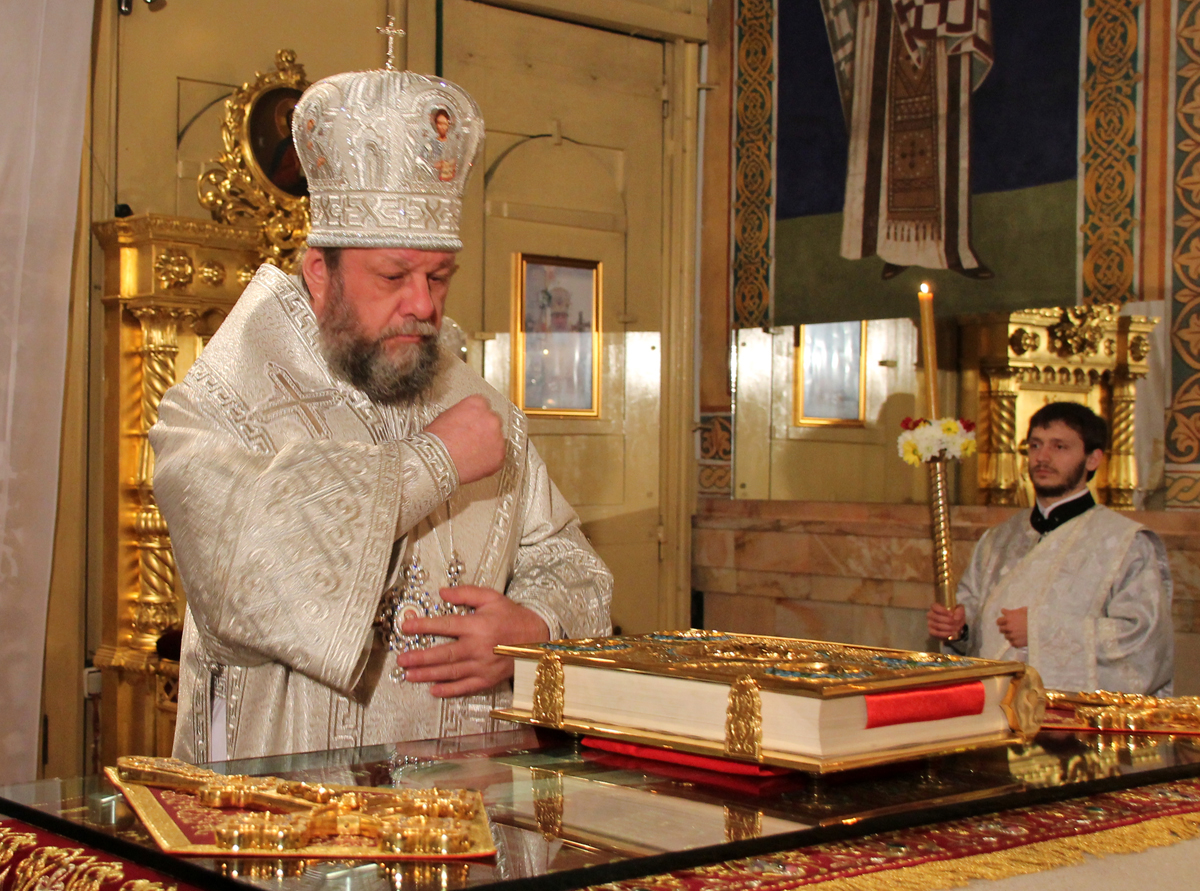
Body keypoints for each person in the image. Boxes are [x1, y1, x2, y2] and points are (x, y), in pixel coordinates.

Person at [151, 65, 613, 763]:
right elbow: (243, 578)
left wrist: (532, 629)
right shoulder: (217, 406)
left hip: (463, 806)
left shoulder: (479, 405)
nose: (423, 304)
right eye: (394, 277)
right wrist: (434, 461)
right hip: (287, 807)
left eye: (438, 277)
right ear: (320, 273)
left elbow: (574, 568)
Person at [927, 402, 1173, 695]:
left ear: (1093, 459)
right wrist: (960, 629)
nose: (1042, 457)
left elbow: (1144, 641)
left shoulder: (1126, 543)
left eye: (1059, 447)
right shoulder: (997, 539)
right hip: (996, 707)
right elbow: (975, 630)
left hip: (1075, 715)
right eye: (1035, 445)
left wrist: (1041, 632)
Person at [819, 0, 994, 279]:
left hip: (937, 18)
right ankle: (895, 248)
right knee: (883, 124)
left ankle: (949, 248)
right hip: (885, 19)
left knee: (945, 127)